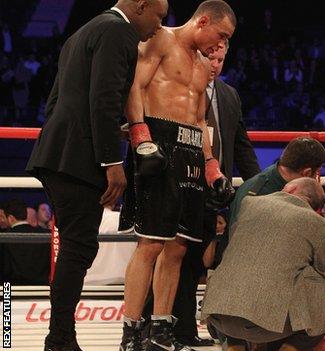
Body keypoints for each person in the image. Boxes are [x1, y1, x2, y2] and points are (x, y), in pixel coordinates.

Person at [25, 1, 168, 349]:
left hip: (60, 152)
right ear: (140, 5)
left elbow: (58, 100)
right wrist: (111, 161)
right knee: (78, 248)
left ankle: (61, 337)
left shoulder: (83, 32)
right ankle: (59, 339)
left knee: (77, 246)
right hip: (78, 159)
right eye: (158, 17)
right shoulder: (118, 31)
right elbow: (103, 98)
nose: (159, 27)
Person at [118, 1, 236, 350]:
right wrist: (140, 134)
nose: (220, 46)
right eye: (221, 35)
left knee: (178, 248)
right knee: (150, 244)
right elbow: (134, 87)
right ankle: (131, 332)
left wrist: (212, 166)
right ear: (203, 21)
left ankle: (161, 331)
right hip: (158, 141)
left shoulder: (202, 66)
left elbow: (200, 120)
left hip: (190, 151)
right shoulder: (161, 40)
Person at [167, 39, 260, 347]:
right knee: (177, 257)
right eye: (210, 58)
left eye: (220, 59)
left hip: (215, 191)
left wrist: (257, 185)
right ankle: (166, 328)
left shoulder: (229, 95)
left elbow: (241, 144)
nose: (215, 65)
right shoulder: (179, 87)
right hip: (183, 185)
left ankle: (185, 331)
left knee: (197, 262)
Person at [202, 178, 325, 350]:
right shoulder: (321, 225)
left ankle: (235, 345)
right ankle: (291, 347)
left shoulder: (249, 203)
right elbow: (320, 278)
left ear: (290, 189)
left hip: (218, 318)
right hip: (267, 326)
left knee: (235, 268)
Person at [1, 198, 50, 285]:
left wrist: (6, 295)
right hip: (42, 289)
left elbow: (5, 270)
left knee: (7, 297)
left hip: (11, 289)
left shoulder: (4, 238)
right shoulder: (46, 235)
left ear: (11, 218)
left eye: (2, 217)